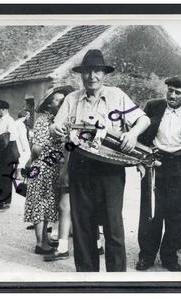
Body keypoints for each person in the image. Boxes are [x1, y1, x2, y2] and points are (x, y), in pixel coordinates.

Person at [50, 49, 150, 272]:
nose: (91, 77)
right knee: (83, 226)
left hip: (110, 168)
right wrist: (56, 128)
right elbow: (55, 126)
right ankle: (87, 282)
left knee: (113, 226)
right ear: (81, 75)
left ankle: (117, 283)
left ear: (104, 74)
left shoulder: (117, 95)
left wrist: (132, 134)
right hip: (80, 167)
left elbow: (143, 119)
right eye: (87, 72)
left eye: (96, 71)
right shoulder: (71, 99)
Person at [135, 76, 181, 272]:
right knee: (151, 212)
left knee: (177, 214)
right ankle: (146, 255)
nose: (172, 96)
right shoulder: (153, 106)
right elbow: (140, 136)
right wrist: (142, 160)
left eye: (178, 92)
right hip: (154, 163)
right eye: (170, 91)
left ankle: (169, 256)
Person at [24, 86, 74, 255]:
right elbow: (36, 149)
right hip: (42, 168)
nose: (61, 103)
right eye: (57, 101)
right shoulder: (43, 121)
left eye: (62, 101)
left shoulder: (55, 121)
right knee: (40, 205)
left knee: (47, 206)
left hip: (50, 169)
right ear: (48, 105)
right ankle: (39, 243)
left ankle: (44, 240)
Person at [0, 100, 20, 209]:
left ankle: (7, 200)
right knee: (1, 175)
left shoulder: (9, 120)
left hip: (8, 151)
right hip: (2, 151)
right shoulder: (0, 120)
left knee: (6, 176)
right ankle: (3, 198)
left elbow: (10, 137)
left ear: (4, 109)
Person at [14, 110, 31, 180]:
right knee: (23, 157)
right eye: (28, 116)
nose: (29, 117)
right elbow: (22, 136)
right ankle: (18, 174)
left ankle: (16, 173)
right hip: (21, 143)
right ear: (25, 116)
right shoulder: (21, 124)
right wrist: (24, 146)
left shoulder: (16, 122)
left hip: (17, 142)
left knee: (19, 159)